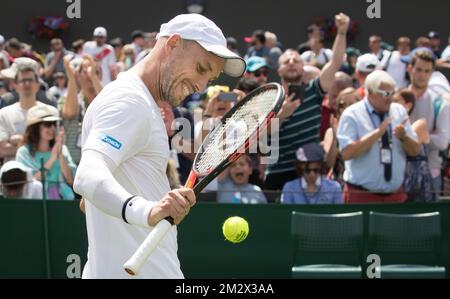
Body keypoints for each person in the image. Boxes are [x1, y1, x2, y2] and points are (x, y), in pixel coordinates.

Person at [73, 13, 245, 278]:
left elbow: (90, 198)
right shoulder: (129, 102)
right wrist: (149, 210)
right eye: (200, 68)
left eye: (208, 78)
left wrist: (114, 201)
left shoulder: (135, 100)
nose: (200, 87)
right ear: (173, 44)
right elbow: (87, 176)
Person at [337, 70, 420, 203]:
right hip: (361, 195)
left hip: (395, 195)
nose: (390, 98)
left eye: (392, 93)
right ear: (369, 91)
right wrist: (377, 134)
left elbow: (415, 151)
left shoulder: (399, 111)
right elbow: (346, 153)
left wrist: (404, 137)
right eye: (385, 94)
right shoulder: (352, 114)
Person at [16, 105, 76, 200]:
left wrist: (60, 154)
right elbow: (27, 184)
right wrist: (52, 159)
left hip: (61, 200)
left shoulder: (63, 148)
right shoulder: (23, 152)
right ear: (35, 128)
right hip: (35, 201)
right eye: (47, 124)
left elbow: (71, 180)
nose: (52, 128)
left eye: (54, 123)